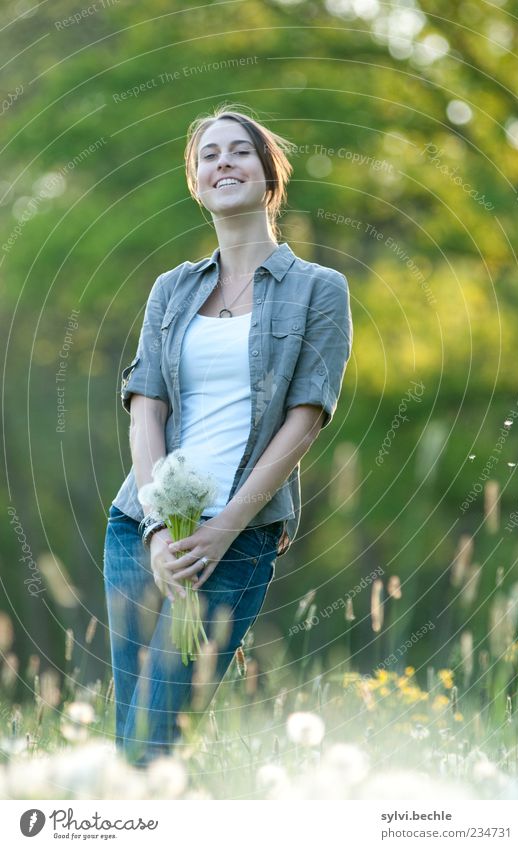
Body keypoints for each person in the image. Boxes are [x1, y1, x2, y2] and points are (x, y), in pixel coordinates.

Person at [103, 103, 353, 768]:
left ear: (269, 177)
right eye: (209, 155)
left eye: (239, 151)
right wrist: (158, 526)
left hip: (236, 536)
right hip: (139, 526)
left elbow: (304, 419)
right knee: (129, 731)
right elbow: (145, 407)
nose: (223, 163)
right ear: (196, 181)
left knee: (157, 729)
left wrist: (219, 531)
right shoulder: (171, 288)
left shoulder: (318, 290)